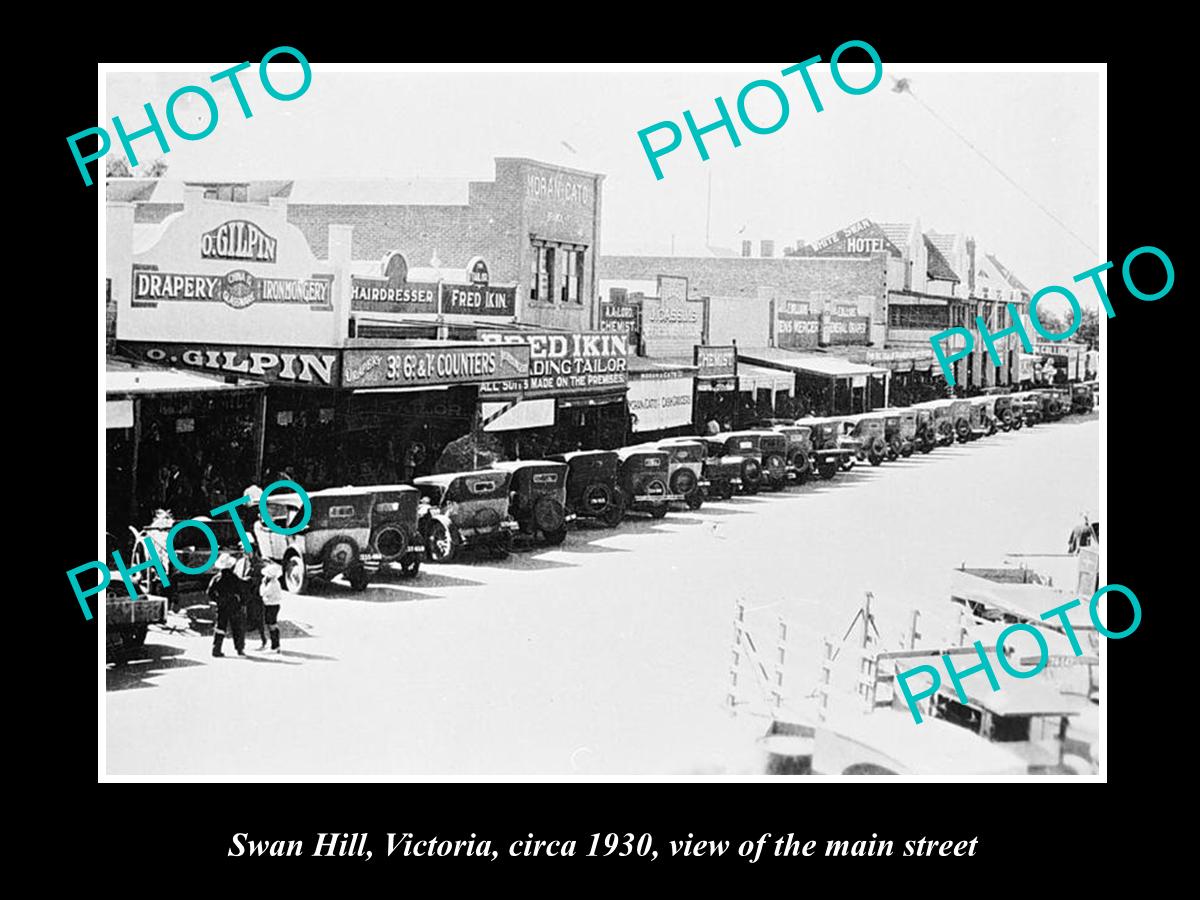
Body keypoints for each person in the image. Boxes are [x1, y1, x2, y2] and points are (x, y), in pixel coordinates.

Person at [208, 554, 247, 657]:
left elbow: (209, 592)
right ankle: (239, 649)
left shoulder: (216, 578)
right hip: (233, 605)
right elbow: (241, 592)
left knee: (220, 627)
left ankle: (216, 649)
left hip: (222, 606)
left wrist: (217, 600)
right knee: (237, 628)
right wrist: (242, 603)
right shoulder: (234, 578)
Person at [259, 562, 284, 653]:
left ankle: (275, 646)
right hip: (272, 605)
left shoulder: (273, 584)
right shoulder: (274, 582)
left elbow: (263, 593)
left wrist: (263, 584)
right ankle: (275, 645)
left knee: (272, 625)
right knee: (272, 625)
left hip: (271, 606)